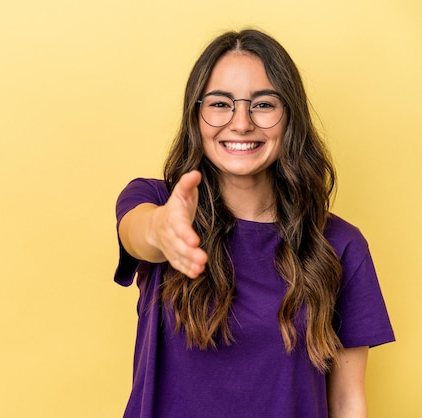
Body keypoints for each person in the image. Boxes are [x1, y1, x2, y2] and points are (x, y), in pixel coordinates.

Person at [114, 29, 394, 418]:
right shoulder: (157, 201)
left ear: (289, 116)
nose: (241, 123)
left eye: (263, 104)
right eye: (220, 104)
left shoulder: (341, 244)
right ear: (196, 116)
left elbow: (347, 402)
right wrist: (162, 229)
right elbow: (138, 234)